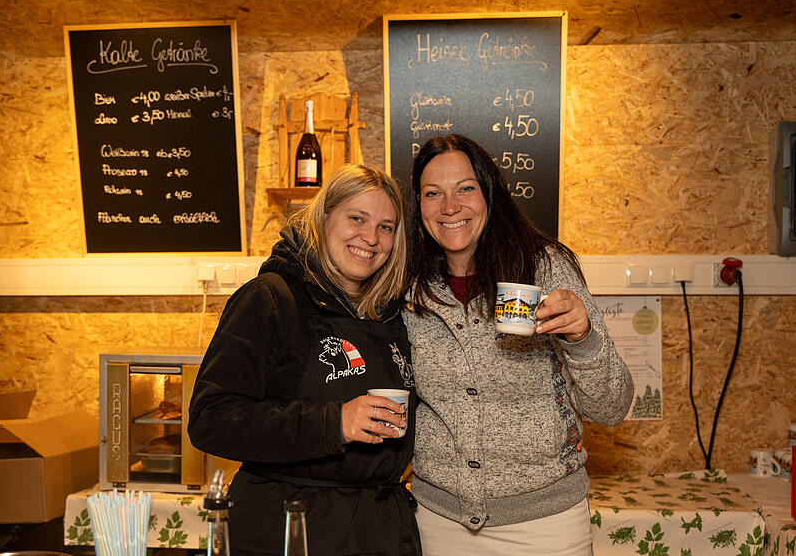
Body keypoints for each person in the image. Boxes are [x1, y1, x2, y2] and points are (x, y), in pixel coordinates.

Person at [402, 135, 634, 556]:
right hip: (438, 523)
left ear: (490, 194)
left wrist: (583, 339)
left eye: (466, 188)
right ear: (418, 207)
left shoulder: (544, 266)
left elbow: (612, 407)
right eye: (432, 193)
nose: (449, 207)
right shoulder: (407, 284)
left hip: (546, 527)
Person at [188, 164, 421, 556]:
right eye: (357, 218)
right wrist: (334, 423)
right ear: (324, 217)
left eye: (386, 226)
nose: (371, 237)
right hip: (290, 528)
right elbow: (211, 419)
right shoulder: (271, 299)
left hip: (380, 529)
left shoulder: (391, 315)